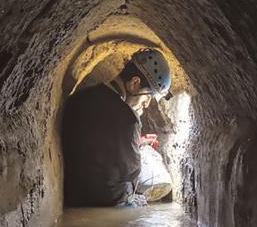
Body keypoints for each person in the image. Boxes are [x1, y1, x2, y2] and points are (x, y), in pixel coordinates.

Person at [61, 48, 173, 208]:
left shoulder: (78, 98)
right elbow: (132, 172)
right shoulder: (129, 119)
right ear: (134, 83)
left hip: (73, 196)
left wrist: (137, 142)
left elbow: (97, 143)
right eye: (147, 96)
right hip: (109, 201)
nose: (146, 105)